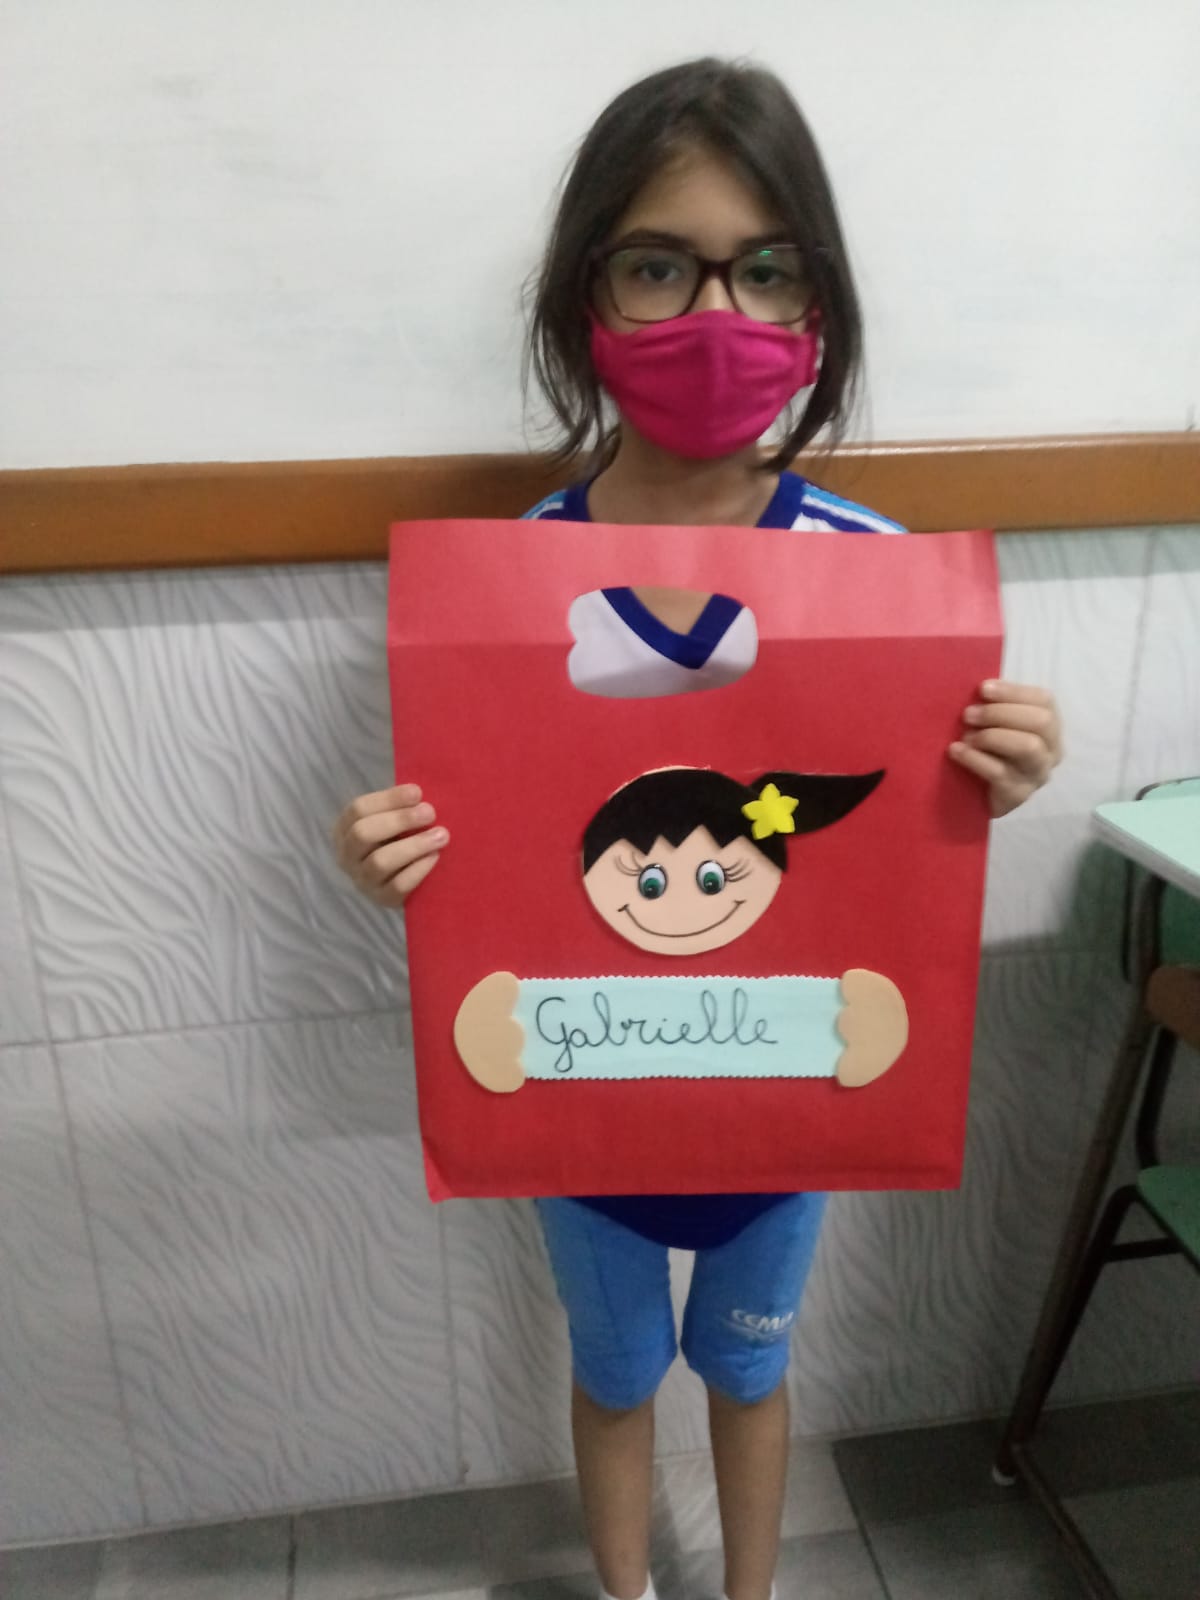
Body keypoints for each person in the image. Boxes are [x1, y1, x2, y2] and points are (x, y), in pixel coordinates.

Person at [332, 57, 1062, 1600]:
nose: (717, 314)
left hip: (785, 1098)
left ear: (819, 306)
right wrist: (392, 855)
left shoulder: (876, 583)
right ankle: (628, 1591)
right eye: (661, 265)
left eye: (767, 268)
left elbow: (875, 835)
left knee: (748, 1370)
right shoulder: (505, 590)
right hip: (584, 1104)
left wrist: (994, 770)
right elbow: (495, 838)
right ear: (586, 294)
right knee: (613, 1376)